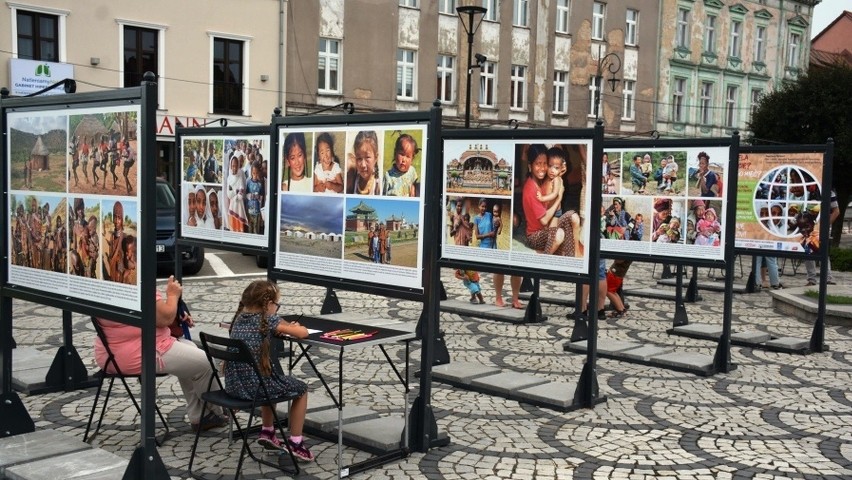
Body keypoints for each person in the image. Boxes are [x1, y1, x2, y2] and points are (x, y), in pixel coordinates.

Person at [94, 276, 229, 432]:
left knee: (190, 352)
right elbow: (164, 318)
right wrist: (172, 295)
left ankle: (201, 416)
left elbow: (149, 316)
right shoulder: (137, 283)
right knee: (205, 363)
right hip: (141, 350)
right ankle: (219, 409)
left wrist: (175, 316)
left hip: (112, 351)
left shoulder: (106, 282)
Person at [225, 280, 314, 461]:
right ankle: (296, 442)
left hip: (234, 387)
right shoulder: (267, 320)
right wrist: (295, 327)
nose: (277, 308)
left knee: (268, 377)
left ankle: (268, 431)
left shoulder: (239, 318)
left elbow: (275, 323)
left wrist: (282, 324)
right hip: (255, 389)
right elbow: (303, 333)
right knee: (301, 389)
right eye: (276, 304)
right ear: (268, 304)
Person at [522, 144, 580, 256]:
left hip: (547, 228)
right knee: (559, 234)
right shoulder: (530, 188)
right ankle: (545, 259)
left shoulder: (541, 180)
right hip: (535, 236)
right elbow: (544, 220)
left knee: (574, 217)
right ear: (530, 166)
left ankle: (572, 257)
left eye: (545, 164)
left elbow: (554, 175)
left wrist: (560, 172)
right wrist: (559, 198)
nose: (543, 168)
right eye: (538, 164)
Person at [804, 188, 839, 285]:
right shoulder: (807, 191)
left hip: (822, 226)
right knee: (808, 250)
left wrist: (825, 226)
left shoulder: (828, 191)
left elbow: (836, 211)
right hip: (808, 225)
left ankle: (828, 277)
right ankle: (811, 279)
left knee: (823, 250)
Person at [535, 147, 566, 223]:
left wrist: (542, 198)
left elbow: (555, 194)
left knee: (552, 231)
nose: (552, 170)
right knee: (544, 229)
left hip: (555, 212)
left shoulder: (556, 179)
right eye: (549, 166)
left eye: (556, 168)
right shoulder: (546, 177)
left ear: (561, 168)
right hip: (547, 210)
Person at [348, 130, 381, 195]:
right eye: (359, 158)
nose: (363, 165)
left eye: (367, 157)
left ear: (376, 158)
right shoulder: (353, 180)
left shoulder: (378, 186)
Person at [226, 155, 248, 232]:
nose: (234, 168)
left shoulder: (240, 175)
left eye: (236, 166)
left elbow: (241, 192)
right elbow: (229, 194)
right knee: (233, 229)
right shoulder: (229, 178)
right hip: (232, 206)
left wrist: (236, 193)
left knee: (239, 230)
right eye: (233, 166)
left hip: (239, 207)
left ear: (238, 166)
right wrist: (236, 192)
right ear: (230, 166)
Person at [245, 161, 265, 234]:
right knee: (250, 228)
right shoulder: (249, 182)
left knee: (256, 229)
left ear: (259, 173)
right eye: (253, 173)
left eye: (256, 173)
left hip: (257, 211)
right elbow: (246, 194)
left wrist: (258, 197)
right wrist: (250, 196)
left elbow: (262, 197)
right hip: (249, 210)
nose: (255, 175)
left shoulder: (260, 184)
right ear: (251, 172)